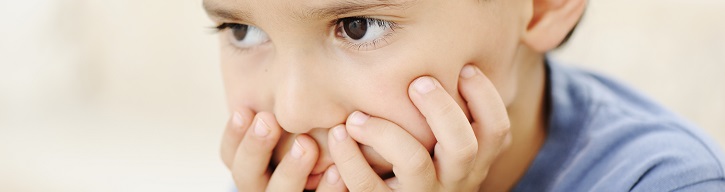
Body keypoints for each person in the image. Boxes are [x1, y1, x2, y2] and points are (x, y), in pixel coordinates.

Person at [203, 0, 725, 191]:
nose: (292, 111)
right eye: (241, 31)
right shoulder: (290, 180)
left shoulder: (664, 181)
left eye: (358, 26)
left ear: (540, 6)